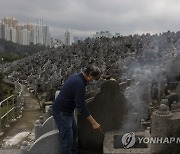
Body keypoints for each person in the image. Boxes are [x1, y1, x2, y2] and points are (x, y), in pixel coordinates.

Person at [52, 66, 102, 154]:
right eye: (95, 78)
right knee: (68, 141)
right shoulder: (79, 84)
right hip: (61, 112)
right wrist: (94, 123)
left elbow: (79, 100)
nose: (94, 81)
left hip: (67, 111)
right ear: (90, 75)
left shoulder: (77, 77)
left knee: (74, 134)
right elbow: (81, 106)